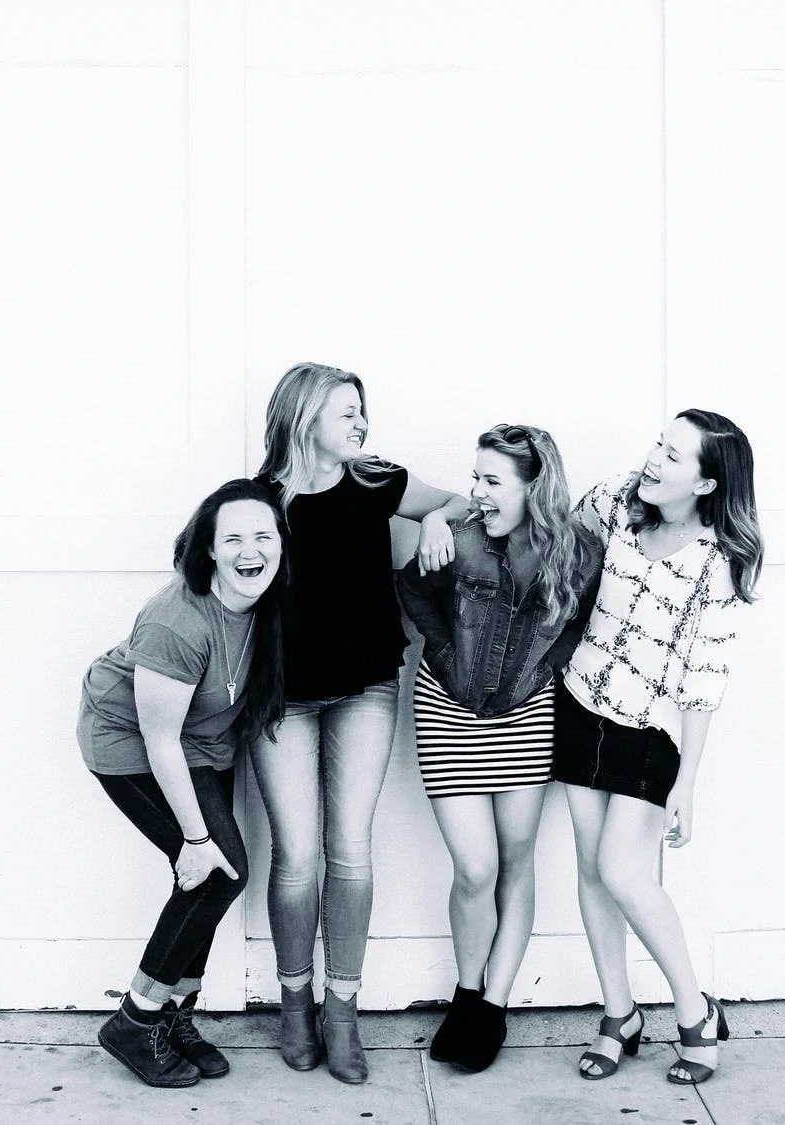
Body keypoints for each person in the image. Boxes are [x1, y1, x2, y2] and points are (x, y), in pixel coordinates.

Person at [250, 361, 469, 1084]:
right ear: (304, 414)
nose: (360, 424)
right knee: (296, 857)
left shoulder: (380, 483)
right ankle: (294, 1000)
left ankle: (342, 1008)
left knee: (349, 850)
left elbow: (467, 504)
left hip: (367, 687)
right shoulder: (258, 502)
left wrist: (433, 515)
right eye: (346, 412)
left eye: (362, 412)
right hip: (280, 697)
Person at [554, 410, 763, 1087]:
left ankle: (696, 1011)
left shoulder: (718, 561)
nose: (654, 459)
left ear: (705, 481)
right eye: (658, 443)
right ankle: (619, 1015)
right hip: (579, 702)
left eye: (672, 456)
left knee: (624, 872)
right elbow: (556, 545)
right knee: (590, 867)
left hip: (650, 729)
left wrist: (688, 781)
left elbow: (705, 681)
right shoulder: (617, 498)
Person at [395, 424, 603, 1073]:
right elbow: (412, 591)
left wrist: (547, 669)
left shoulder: (579, 551)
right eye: (475, 475)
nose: (475, 490)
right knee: (476, 868)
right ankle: (467, 986)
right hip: (448, 711)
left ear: (534, 486)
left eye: (491, 480)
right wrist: (449, 653)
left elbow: (582, 620)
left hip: (525, 717)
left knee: (516, 860)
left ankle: (492, 1004)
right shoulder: (455, 539)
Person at [77, 479, 290, 1088]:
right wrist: (194, 840)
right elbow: (159, 738)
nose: (250, 551)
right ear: (209, 551)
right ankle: (135, 1019)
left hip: (202, 746)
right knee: (217, 871)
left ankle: (173, 1015)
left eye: (263, 535)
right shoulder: (177, 620)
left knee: (207, 881)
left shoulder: (267, 604)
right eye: (233, 539)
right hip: (132, 746)